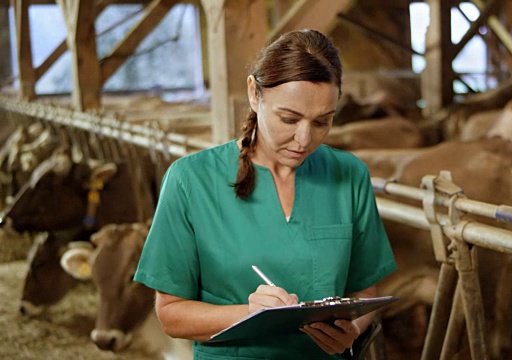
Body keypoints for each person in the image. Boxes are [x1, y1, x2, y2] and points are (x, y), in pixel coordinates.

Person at [134, 28, 397, 360]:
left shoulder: (349, 175)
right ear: (254, 94)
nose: (304, 140)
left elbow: (364, 289)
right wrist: (249, 314)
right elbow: (170, 313)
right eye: (289, 118)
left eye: (321, 123)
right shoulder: (190, 180)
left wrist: (353, 332)